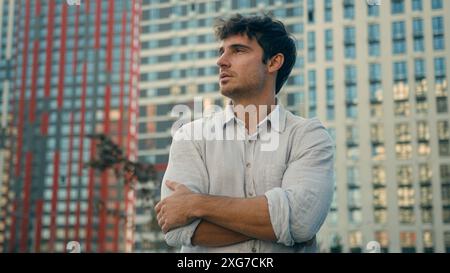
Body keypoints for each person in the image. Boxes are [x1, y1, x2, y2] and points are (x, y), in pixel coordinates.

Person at [155, 13, 334, 253]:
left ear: (273, 62)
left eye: (238, 50)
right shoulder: (190, 136)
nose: (221, 61)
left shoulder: (308, 136)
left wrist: (196, 204)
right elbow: (176, 230)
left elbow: (301, 222)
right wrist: (281, 226)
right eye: (221, 51)